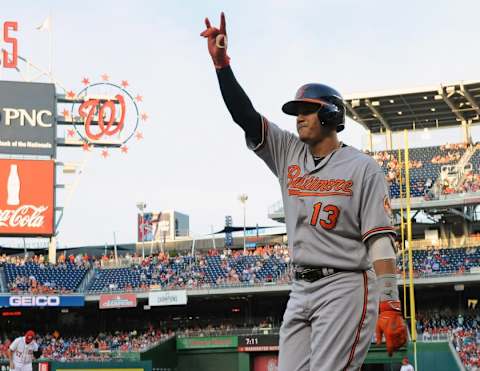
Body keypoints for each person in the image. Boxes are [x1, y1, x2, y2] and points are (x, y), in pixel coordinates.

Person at [201, 13, 407, 370]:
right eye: (296, 111)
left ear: (330, 115)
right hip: (300, 287)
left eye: (307, 111)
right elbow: (246, 116)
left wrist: (389, 303)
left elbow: (379, 240)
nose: (299, 118)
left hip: (344, 285)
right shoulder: (288, 152)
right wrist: (222, 66)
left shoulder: (363, 168)